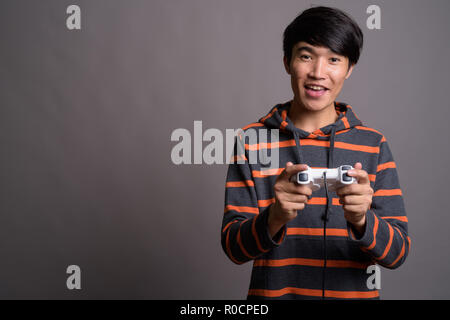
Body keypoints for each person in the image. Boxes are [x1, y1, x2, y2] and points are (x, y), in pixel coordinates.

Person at [221, 6, 410, 300]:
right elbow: (234, 249)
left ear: (349, 68)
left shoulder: (374, 145)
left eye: (333, 59)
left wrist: (362, 220)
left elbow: (397, 254)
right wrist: (275, 216)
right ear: (287, 62)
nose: (318, 73)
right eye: (306, 56)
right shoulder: (251, 142)